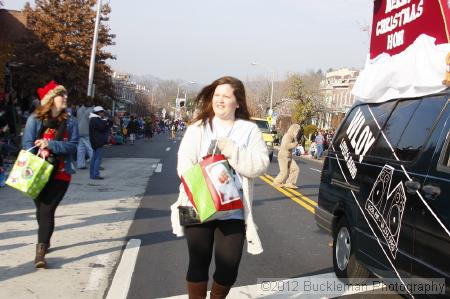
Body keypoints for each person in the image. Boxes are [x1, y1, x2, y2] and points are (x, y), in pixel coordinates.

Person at [170, 76, 269, 299]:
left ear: (238, 102)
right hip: (197, 203)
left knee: (228, 268)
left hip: (233, 209)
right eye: (217, 95)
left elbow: (260, 165)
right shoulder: (198, 127)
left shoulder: (249, 130)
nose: (220, 100)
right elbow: (184, 161)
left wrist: (232, 149)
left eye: (226, 96)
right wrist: (202, 182)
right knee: (198, 262)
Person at [22, 80, 79, 268]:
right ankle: (45, 238)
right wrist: (38, 154)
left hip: (60, 172)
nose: (65, 98)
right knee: (41, 211)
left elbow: (73, 146)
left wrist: (51, 145)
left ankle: (40, 251)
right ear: (51, 99)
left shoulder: (70, 121)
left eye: (65, 96)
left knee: (47, 209)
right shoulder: (34, 119)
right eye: (61, 95)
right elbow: (27, 144)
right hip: (36, 172)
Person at [273, 124, 301, 189]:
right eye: (297, 131)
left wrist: (296, 140)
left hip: (289, 156)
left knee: (295, 168)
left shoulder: (292, 136)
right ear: (294, 130)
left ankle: (290, 183)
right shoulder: (288, 136)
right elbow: (286, 146)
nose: (298, 133)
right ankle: (277, 182)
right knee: (284, 171)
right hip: (283, 155)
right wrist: (295, 144)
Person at [89, 106, 111, 179]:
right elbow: (102, 128)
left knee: (94, 158)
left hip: (94, 141)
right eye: (102, 112)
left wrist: (105, 121)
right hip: (98, 141)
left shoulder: (93, 119)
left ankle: (92, 174)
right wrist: (106, 122)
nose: (103, 114)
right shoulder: (96, 119)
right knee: (98, 158)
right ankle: (95, 174)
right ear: (98, 112)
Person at [76, 101, 94, 169]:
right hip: (87, 131)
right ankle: (94, 164)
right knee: (90, 148)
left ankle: (80, 164)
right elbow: (92, 122)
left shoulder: (79, 110)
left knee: (80, 149)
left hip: (79, 131)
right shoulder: (91, 111)